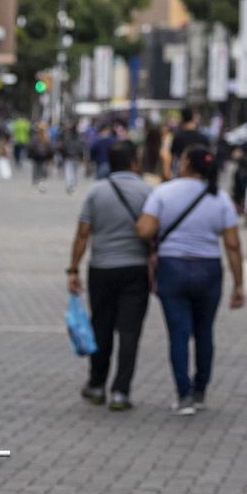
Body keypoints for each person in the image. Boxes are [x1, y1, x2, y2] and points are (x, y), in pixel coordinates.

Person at [135, 146, 246, 415]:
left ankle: (183, 396)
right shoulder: (219, 198)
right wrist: (239, 283)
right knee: (205, 332)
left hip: (172, 269)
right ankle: (200, 392)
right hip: (208, 270)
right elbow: (232, 245)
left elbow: (145, 230)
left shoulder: (163, 192)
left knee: (179, 333)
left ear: (186, 163)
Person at [67, 141, 152, 411]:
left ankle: (96, 385)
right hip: (136, 271)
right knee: (129, 332)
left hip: (101, 269)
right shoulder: (148, 192)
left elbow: (83, 234)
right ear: (134, 163)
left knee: (101, 328)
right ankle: (121, 392)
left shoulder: (96, 192)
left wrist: (73, 268)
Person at [167, 109, 211, 177]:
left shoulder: (177, 137)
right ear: (193, 118)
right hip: (200, 175)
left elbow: (172, 157)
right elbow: (208, 158)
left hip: (182, 176)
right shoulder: (203, 138)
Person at [57, 123, 85, 194]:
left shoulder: (67, 138)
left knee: (69, 172)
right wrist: (82, 157)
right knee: (75, 172)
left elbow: (63, 147)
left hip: (69, 157)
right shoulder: (80, 138)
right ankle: (74, 186)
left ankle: (69, 186)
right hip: (77, 157)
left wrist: (64, 155)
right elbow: (81, 149)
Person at [28, 123, 54, 191]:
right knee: (43, 167)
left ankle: (36, 179)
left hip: (36, 155)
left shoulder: (35, 137)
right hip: (44, 155)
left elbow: (31, 146)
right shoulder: (46, 137)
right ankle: (41, 179)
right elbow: (50, 148)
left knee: (36, 167)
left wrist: (30, 155)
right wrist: (50, 156)